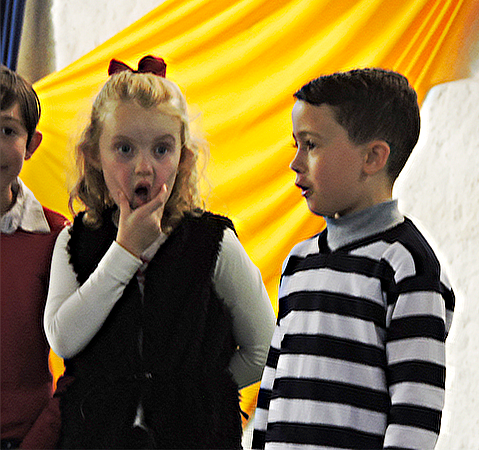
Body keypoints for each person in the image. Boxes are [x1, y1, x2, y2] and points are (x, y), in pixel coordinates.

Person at [43, 56, 276, 449]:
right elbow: (63, 339)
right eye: (124, 148)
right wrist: (125, 251)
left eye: (161, 150)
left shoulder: (213, 241)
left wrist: (199, 395)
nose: (144, 168)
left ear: (184, 158)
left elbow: (263, 346)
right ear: (94, 154)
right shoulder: (73, 240)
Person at [251, 68, 455, 449]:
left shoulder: (406, 266)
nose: (295, 162)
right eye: (296, 144)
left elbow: (416, 409)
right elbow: (272, 384)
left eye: (311, 145)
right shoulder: (298, 263)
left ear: (373, 157)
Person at [0, 65, 68, 450]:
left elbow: (83, 362)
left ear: (32, 144)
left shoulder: (57, 237)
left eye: (7, 131)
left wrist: (41, 439)